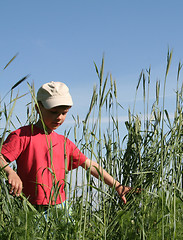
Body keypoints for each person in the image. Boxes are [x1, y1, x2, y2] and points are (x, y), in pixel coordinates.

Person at [0, 81, 132, 209]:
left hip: (61, 207)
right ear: (37, 108)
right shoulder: (22, 135)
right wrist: (10, 172)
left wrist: (117, 185)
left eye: (64, 113)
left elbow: (90, 165)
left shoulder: (64, 142)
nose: (59, 117)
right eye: (53, 112)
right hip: (29, 207)